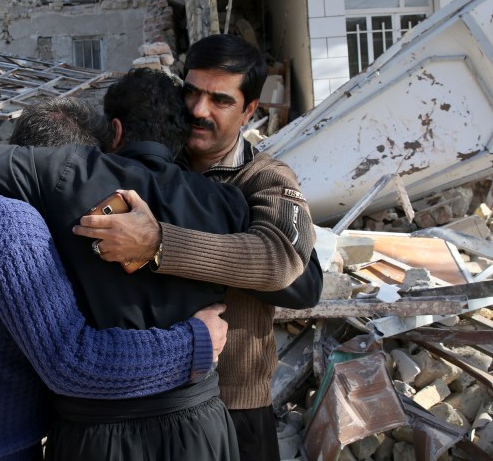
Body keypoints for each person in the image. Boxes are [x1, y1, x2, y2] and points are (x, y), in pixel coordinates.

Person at [0, 69, 250, 460]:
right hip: (200, 425)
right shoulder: (230, 202)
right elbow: (295, 280)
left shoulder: (68, 179)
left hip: (94, 435)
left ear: (116, 132)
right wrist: (197, 339)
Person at [73, 34, 319, 461]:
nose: (199, 111)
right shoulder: (149, 165)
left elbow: (287, 266)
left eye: (220, 100)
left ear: (249, 110)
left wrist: (159, 243)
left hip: (235, 405)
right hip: (147, 399)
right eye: (192, 92)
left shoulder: (265, 179)